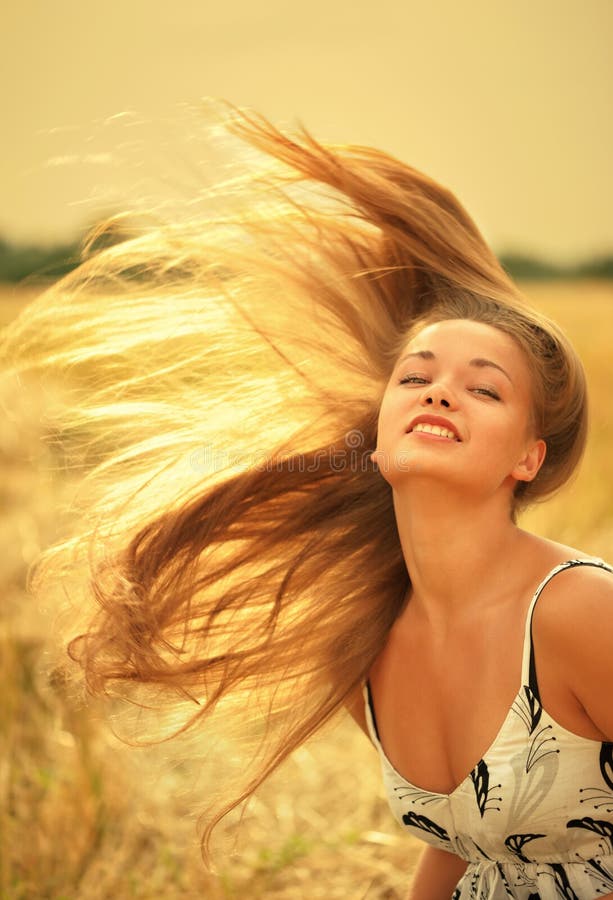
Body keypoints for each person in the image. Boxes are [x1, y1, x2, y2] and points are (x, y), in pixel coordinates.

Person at [3, 107, 612, 898]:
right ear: (378, 428)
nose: (439, 392)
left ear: (527, 457)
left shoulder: (577, 613)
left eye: (483, 388)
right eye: (416, 375)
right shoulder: (365, 646)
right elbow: (467, 842)